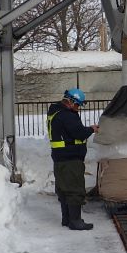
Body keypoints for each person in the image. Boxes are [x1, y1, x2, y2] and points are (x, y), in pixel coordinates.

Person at [47, 88, 99, 230]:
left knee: (64, 189)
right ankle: (76, 221)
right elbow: (79, 133)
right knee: (75, 189)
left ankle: (67, 219)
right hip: (70, 159)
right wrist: (91, 129)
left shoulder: (55, 112)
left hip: (60, 158)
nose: (78, 109)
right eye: (77, 105)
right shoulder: (67, 115)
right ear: (70, 102)